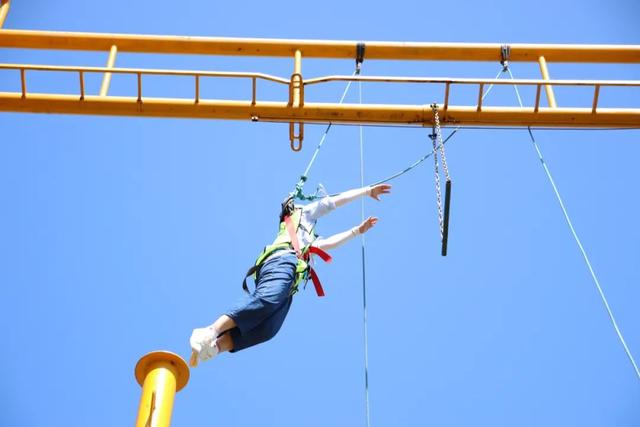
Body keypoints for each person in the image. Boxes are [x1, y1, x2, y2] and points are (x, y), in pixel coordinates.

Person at [189, 183, 392, 367]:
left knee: (267, 329)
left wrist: (357, 230)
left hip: (289, 280)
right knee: (267, 301)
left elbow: (329, 244)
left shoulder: (307, 239)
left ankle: (214, 347)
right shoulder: (301, 215)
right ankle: (209, 331)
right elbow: (332, 203)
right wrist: (366, 191)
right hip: (281, 261)